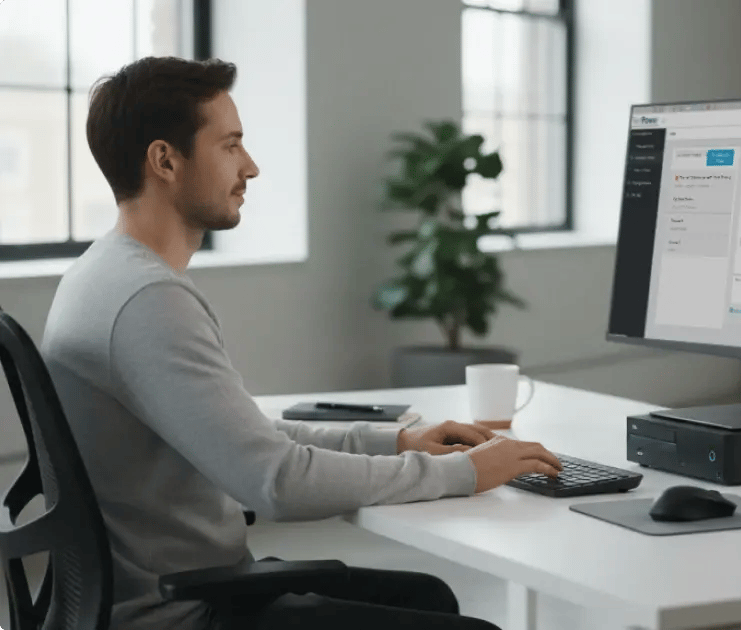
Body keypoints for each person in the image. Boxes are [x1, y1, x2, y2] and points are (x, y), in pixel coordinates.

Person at [40, 56, 563, 630]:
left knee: (427, 597)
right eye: (231, 146)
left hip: (175, 590)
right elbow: (277, 482)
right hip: (182, 612)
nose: (252, 167)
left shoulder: (99, 276)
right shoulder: (147, 301)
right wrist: (465, 473)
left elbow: (242, 438)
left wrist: (397, 442)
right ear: (166, 160)